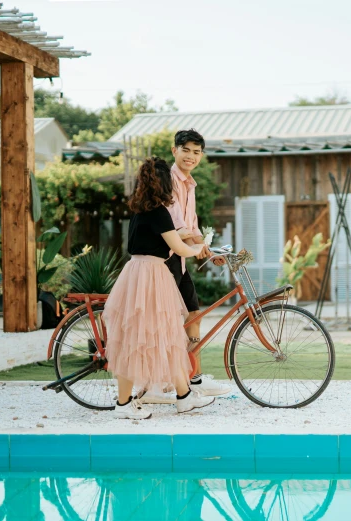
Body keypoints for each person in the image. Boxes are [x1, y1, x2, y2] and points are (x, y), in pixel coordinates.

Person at [103, 156, 215, 420]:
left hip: (139, 273)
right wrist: (200, 249)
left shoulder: (141, 211)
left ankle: (184, 396)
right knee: (139, 341)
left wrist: (194, 245)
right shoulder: (159, 212)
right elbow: (178, 247)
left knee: (166, 337)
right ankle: (122, 405)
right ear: (164, 183)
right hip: (151, 275)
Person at [140, 129, 231, 404]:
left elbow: (190, 225)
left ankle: (195, 378)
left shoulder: (189, 183)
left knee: (193, 314)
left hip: (180, 258)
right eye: (186, 150)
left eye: (197, 152)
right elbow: (175, 224)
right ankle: (154, 385)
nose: (191, 156)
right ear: (174, 151)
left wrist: (205, 248)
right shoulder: (168, 181)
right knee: (162, 323)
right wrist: (197, 245)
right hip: (165, 258)